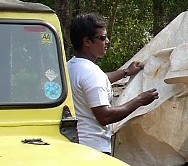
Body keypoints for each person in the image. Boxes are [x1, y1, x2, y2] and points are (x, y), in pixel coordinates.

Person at [67, 13, 158, 154]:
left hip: (76, 145)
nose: (107, 41)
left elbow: (97, 82)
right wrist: (140, 100)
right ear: (87, 42)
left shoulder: (71, 67)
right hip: (94, 149)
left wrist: (125, 72)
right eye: (102, 38)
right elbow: (105, 116)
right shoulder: (91, 73)